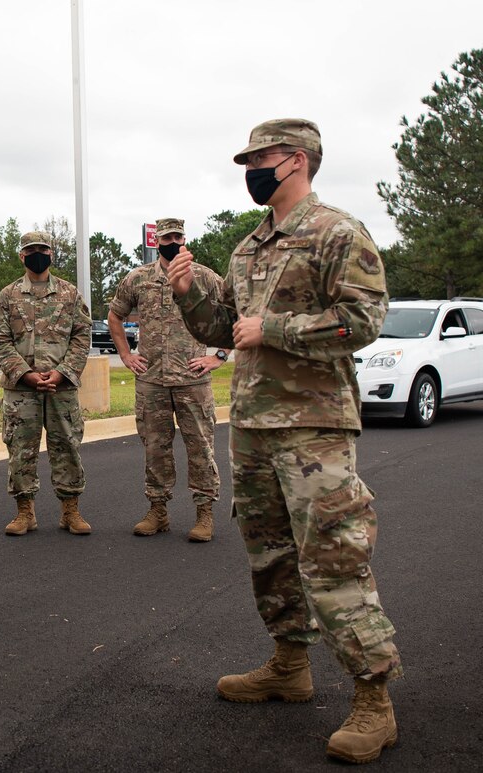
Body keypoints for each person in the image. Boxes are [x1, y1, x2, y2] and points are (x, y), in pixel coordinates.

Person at [167, 118, 401, 764]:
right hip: (253, 423)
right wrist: (189, 294)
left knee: (332, 557)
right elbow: (225, 325)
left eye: (261, 158)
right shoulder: (248, 249)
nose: (251, 170)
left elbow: (363, 320)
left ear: (296, 161)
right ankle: (289, 665)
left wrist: (274, 328)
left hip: (315, 426)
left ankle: (373, 699)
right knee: (269, 555)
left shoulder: (336, 232)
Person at [107, 218, 227, 542]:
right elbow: (115, 315)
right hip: (152, 380)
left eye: (177, 236)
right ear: (156, 240)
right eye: (166, 236)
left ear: (184, 238)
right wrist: (126, 355)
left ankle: (204, 514)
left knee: (201, 448)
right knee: (155, 449)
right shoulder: (138, 278)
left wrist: (219, 356)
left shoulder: (203, 276)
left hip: (192, 378)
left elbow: (236, 310)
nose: (171, 241)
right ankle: (157, 511)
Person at [0, 230, 92, 536]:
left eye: (43, 249)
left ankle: (70, 511)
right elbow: (0, 339)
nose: (38, 254)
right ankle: (25, 513)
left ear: (51, 255)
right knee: (21, 449)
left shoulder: (70, 294)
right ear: (22, 256)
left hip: (61, 387)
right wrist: (26, 374)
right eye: (32, 250)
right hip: (21, 389)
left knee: (67, 447)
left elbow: (82, 336)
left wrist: (62, 372)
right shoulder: (7, 296)